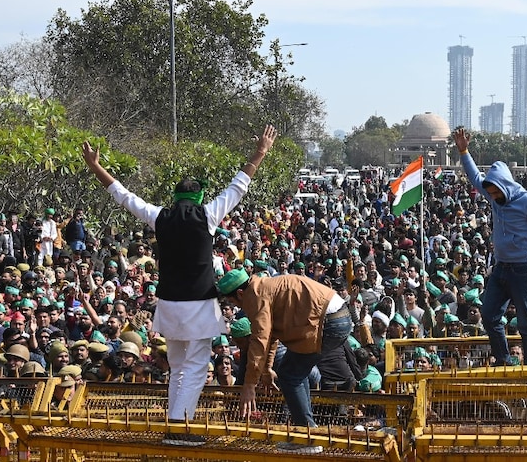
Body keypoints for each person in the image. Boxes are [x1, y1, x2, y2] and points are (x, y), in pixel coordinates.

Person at [80, 124, 276, 446]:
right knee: (195, 368)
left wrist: (95, 167)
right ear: (198, 197)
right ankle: (180, 428)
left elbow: (124, 196)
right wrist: (260, 152)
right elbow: (238, 186)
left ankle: (176, 426)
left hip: (169, 307)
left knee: (179, 367)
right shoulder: (208, 214)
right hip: (198, 307)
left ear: (175, 198)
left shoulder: (160, 217)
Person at [453, 127, 527, 366]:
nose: (493, 197)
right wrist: (464, 151)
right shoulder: (492, 194)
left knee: (526, 323)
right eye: (489, 193)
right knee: (489, 316)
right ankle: (504, 360)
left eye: (496, 192)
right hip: (501, 267)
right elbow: (475, 177)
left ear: (505, 185)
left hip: (523, 269)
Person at [217, 268, 350, 432]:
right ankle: (308, 428)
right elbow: (271, 334)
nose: (237, 306)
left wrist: (250, 384)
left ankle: (307, 433)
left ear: (240, 293)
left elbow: (260, 339)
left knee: (289, 374)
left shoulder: (255, 296)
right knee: (293, 372)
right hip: (336, 317)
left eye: (234, 302)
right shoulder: (263, 287)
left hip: (328, 321)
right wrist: (266, 370)